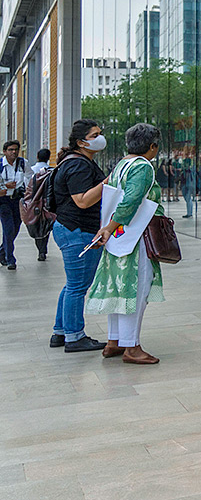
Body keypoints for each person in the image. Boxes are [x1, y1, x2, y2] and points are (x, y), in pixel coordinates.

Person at [85, 123, 166, 365]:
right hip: (136, 237)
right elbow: (131, 200)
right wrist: (110, 227)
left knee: (119, 290)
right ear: (152, 146)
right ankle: (132, 347)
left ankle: (114, 341)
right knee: (135, 290)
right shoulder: (143, 167)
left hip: (118, 238)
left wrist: (110, 229)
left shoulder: (121, 164)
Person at [49, 120, 107, 352]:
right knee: (77, 286)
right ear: (82, 142)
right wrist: (107, 182)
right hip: (78, 230)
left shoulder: (75, 162)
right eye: (95, 135)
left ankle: (60, 332)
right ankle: (75, 336)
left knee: (72, 284)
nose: (100, 138)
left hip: (70, 228)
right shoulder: (79, 166)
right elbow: (82, 201)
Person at [0, 140, 29, 270]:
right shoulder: (1, 165)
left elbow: (30, 178)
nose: (14, 152)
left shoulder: (23, 163)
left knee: (15, 228)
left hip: (18, 200)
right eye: (10, 150)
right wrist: (5, 186)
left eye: (16, 149)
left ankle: (2, 252)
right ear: (4, 151)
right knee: (8, 228)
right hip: (3, 201)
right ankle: (10, 259)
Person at [30, 148, 52, 261]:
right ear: (48, 158)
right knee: (46, 224)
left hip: (36, 203)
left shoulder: (32, 170)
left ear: (37, 157)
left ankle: (41, 249)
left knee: (37, 225)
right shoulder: (52, 170)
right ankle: (43, 249)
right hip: (48, 203)